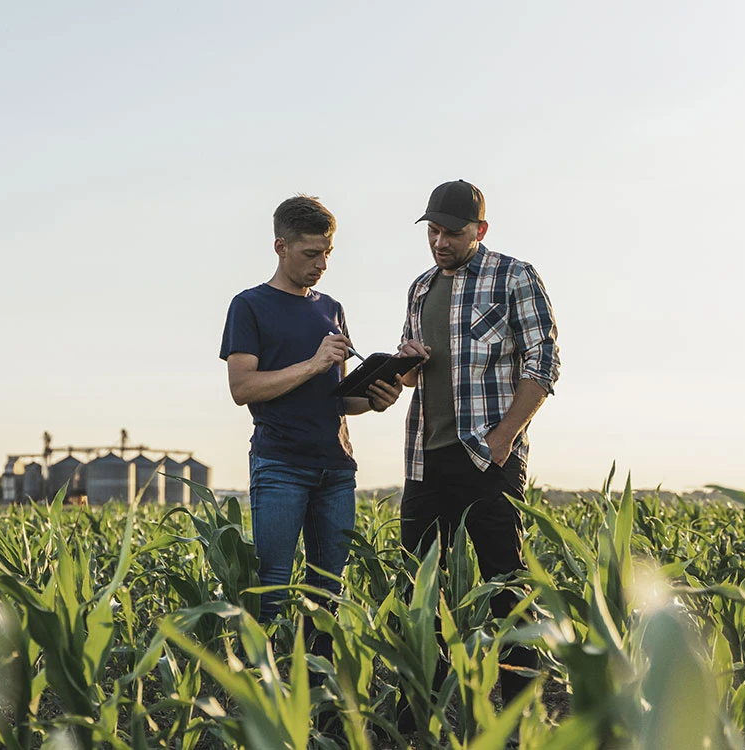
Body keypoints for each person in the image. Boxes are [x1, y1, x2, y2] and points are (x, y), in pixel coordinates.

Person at [396, 179, 560, 720]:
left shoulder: (514, 275)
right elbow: (416, 379)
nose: (440, 242)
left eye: (452, 232)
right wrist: (407, 362)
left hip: (488, 457)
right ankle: (429, 702)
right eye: (433, 232)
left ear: (480, 231)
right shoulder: (420, 288)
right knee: (420, 584)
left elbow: (544, 362)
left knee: (504, 582)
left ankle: (519, 710)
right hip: (426, 458)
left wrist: (504, 437)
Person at [220, 194, 403, 653]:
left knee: (328, 592)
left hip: (337, 469)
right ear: (280, 246)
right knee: (273, 589)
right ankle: (264, 692)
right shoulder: (249, 306)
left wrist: (376, 398)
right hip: (280, 464)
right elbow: (242, 389)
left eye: (327, 253)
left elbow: (338, 400)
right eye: (310, 254)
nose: (321, 264)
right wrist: (314, 362)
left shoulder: (332, 308)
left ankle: (317, 698)